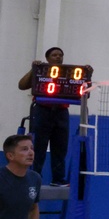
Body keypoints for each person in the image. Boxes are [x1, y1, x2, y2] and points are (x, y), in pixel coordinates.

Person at [17, 47, 77, 186]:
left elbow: (83, 84)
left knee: (60, 148)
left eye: (60, 55)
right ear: (48, 58)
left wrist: (88, 72)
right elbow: (21, 85)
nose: (58, 57)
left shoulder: (70, 73)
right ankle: (35, 178)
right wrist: (34, 69)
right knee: (38, 147)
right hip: (42, 111)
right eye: (54, 55)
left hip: (61, 113)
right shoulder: (41, 71)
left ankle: (58, 179)